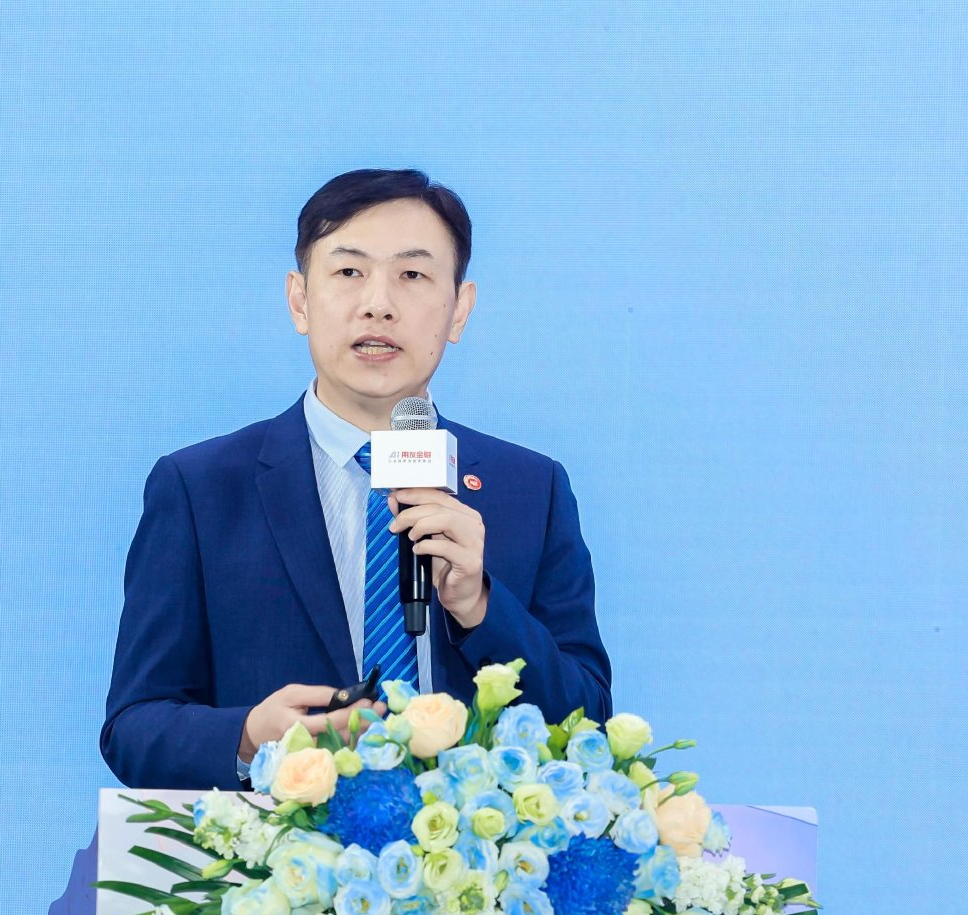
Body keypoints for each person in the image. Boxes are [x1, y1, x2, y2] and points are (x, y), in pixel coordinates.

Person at [100, 168, 612, 790]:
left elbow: (588, 725)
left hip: (474, 846)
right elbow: (134, 727)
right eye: (348, 272)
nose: (378, 304)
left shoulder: (531, 490)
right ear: (299, 300)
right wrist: (247, 735)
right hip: (279, 846)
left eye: (412, 275)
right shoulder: (200, 489)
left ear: (459, 309)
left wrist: (479, 606)